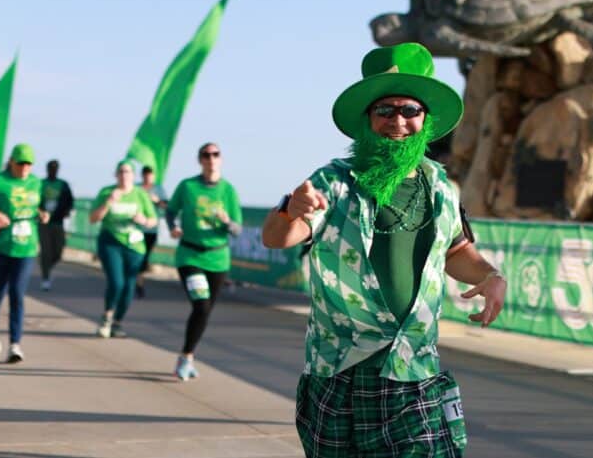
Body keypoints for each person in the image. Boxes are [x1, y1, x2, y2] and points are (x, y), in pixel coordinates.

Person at [262, 43, 507, 457]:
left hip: (413, 368)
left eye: (410, 110)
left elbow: (456, 251)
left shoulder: (441, 189)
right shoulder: (334, 182)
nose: (398, 121)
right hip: (340, 366)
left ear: (425, 119)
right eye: (385, 110)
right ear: (367, 119)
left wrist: (489, 276)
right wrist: (289, 208)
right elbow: (278, 237)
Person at [165, 142, 242, 381]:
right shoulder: (188, 186)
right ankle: (186, 357)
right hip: (190, 255)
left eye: (215, 154)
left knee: (205, 311)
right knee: (201, 305)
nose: (211, 158)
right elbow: (170, 210)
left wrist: (227, 221)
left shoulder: (228, 190)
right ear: (200, 160)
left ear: (221, 159)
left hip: (218, 258)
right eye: (206, 155)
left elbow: (237, 230)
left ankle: (188, 356)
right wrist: (173, 227)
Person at [0, 144, 48, 363]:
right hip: (0, 245)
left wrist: (41, 213)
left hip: (26, 246)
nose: (24, 168)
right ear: (11, 161)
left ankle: (15, 345)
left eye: (29, 164)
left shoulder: (36, 183)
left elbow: (34, 205)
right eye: (21, 163)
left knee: (17, 294)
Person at [88, 159, 158, 338]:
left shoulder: (140, 194)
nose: (124, 175)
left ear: (133, 176)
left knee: (129, 286)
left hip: (134, 245)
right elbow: (93, 218)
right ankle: (107, 317)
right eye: (121, 172)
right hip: (111, 242)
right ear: (116, 174)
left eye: (128, 172)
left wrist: (143, 220)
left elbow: (153, 220)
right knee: (116, 282)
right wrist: (108, 202)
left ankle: (117, 322)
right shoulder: (106, 192)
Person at [38, 159, 73, 291]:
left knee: (58, 251)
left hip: (58, 222)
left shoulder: (63, 185)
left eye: (55, 168)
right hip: (43, 223)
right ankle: (45, 277)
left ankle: (47, 265)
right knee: (45, 250)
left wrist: (66, 211)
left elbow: (70, 201)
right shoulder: (41, 184)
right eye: (51, 168)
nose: (53, 170)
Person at [134, 165, 166, 299]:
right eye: (145, 174)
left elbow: (166, 206)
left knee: (144, 258)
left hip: (151, 230)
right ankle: (134, 282)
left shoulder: (158, 189)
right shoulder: (136, 188)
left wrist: (157, 200)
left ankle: (139, 284)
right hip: (135, 229)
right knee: (135, 256)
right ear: (142, 176)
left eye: (150, 175)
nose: (148, 177)